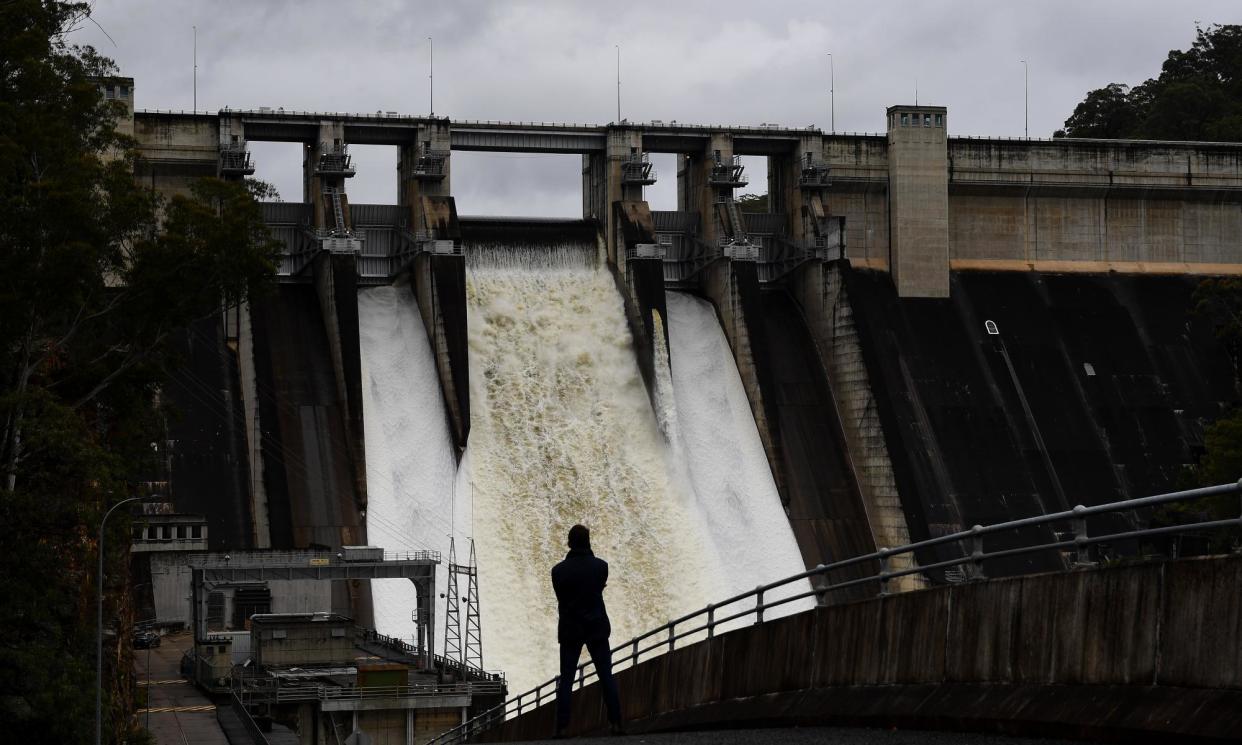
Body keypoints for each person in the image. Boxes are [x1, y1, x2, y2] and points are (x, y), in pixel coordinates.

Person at [551, 524, 623, 737]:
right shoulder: (601, 567)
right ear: (588, 541)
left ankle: (562, 729)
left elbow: (561, 597)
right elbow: (597, 588)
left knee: (566, 680)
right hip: (596, 627)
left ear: (569, 543)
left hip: (570, 629)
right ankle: (617, 723)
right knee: (606, 676)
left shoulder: (558, 571)